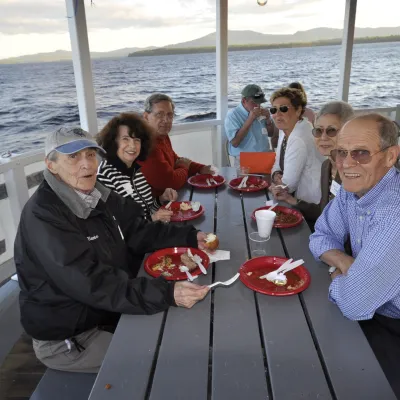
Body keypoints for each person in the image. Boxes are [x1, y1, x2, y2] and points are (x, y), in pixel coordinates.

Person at [14, 127, 211, 373]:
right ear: (51, 165)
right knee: (166, 359)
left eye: (90, 155)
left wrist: (190, 236)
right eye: (73, 157)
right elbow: (91, 283)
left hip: (107, 311)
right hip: (72, 336)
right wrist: (166, 293)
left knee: (184, 333)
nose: (86, 165)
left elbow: (139, 230)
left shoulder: (98, 194)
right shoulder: (44, 216)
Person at [309, 113, 400, 397]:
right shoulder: (354, 190)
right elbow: (320, 235)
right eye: (341, 153)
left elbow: (352, 302)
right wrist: (344, 262)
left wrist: (338, 275)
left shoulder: (393, 213)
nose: (347, 163)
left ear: (390, 156)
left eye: (360, 153)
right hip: (371, 311)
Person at [274, 101, 354, 223]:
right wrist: (291, 200)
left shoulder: (355, 172)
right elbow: (324, 211)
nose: (323, 137)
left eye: (331, 130)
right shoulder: (326, 167)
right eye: (318, 131)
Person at [97, 112, 176, 222]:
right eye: (125, 139)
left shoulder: (135, 170)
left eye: (137, 140)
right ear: (113, 142)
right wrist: (153, 218)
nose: (132, 146)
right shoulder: (105, 175)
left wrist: (161, 199)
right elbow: (116, 226)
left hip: (150, 231)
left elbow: (147, 209)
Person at [139, 93, 213, 197]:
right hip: (152, 207)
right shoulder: (146, 146)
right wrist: (184, 167)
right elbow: (171, 182)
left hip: (168, 197)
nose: (166, 120)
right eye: (159, 114)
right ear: (146, 117)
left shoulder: (161, 136)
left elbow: (175, 160)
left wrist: (201, 168)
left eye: (170, 115)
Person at [270, 87, 324, 204]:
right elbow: (277, 163)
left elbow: (288, 186)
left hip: (309, 204)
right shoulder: (285, 129)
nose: (277, 115)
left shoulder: (298, 137)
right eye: (274, 110)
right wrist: (275, 174)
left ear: (298, 110)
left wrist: (277, 181)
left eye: (283, 109)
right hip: (296, 198)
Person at [224, 84, 276, 166]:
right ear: (244, 101)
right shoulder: (233, 115)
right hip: (245, 160)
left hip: (265, 156)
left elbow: (270, 134)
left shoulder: (262, 111)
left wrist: (268, 119)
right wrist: (250, 119)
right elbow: (235, 143)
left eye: (260, 102)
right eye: (254, 102)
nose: (258, 106)